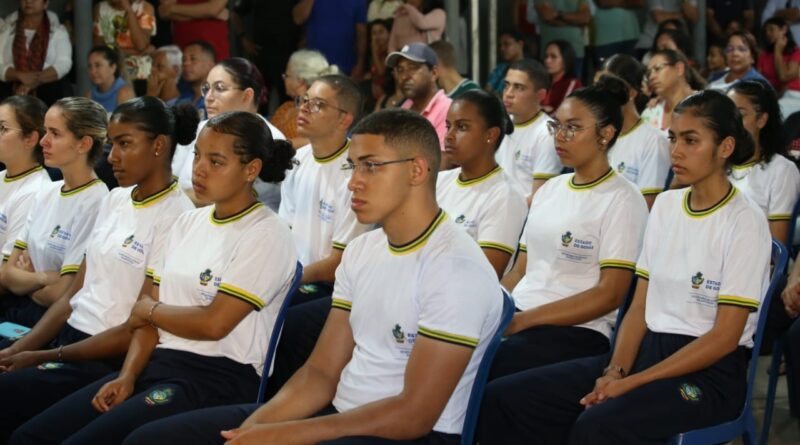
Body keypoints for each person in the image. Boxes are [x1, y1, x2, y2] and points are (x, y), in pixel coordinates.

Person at [119, 107, 504, 445]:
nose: (353, 180)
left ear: (418, 170)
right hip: (341, 417)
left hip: (407, 434)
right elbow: (320, 373)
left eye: (370, 165)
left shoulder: (456, 268)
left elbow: (413, 414)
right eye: (353, 165)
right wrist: (254, 428)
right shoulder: (362, 250)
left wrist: (291, 433)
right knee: (151, 438)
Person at [478, 89, 771, 445]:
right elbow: (638, 307)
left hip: (707, 375)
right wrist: (615, 370)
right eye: (673, 138)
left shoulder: (745, 221)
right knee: (507, 398)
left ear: (725, 147)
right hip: (648, 352)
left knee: (599, 425)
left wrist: (631, 382)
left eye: (691, 140)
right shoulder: (665, 206)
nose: (676, 151)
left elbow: (725, 337)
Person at [8, 111, 299, 445]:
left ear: (252, 170)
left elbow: (213, 324)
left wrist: (150, 311)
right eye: (198, 156)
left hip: (215, 375)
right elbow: (144, 321)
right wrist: (128, 376)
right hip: (156, 363)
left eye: (216, 162)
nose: (199, 169)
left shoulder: (267, 232)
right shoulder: (187, 223)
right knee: (31, 435)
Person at [0, 97, 198, 442]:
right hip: (68, 340)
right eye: (112, 144)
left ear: (159, 145)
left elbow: (138, 324)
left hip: (105, 356)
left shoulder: (177, 215)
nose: (112, 157)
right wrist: (22, 348)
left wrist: (44, 354)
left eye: (124, 144)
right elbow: (74, 292)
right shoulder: (116, 199)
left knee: (26, 433)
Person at [485, 76, 648, 385]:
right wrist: (494, 306)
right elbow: (519, 272)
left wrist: (522, 321)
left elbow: (609, 294)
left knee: (489, 373)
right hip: (521, 315)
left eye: (572, 127)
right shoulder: (550, 190)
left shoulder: (624, 199)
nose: (560, 136)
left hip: (578, 329)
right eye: (556, 126)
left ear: (605, 135)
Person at [0, 97, 109, 328]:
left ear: (84, 144)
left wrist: (27, 282)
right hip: (20, 311)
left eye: (55, 134)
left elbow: (62, 292)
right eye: (45, 132)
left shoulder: (96, 201)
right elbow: (8, 275)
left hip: (56, 322)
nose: (44, 142)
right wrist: (43, 278)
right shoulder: (48, 191)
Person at [279, 74, 369, 305]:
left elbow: (338, 264)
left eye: (318, 104)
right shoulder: (297, 160)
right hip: (294, 277)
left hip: (332, 289)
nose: (305, 108)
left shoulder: (357, 174)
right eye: (305, 100)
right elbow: (284, 231)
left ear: (344, 120)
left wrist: (286, 278)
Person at [172, 57, 286, 210]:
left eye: (219, 88)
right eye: (206, 89)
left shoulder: (268, 139)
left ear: (247, 96)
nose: (208, 97)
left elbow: (226, 199)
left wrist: (175, 196)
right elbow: (172, 175)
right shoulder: (203, 128)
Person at [438, 90, 527, 277]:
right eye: (448, 126)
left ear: (491, 135)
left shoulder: (505, 195)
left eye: (462, 127)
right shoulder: (439, 181)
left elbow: (485, 274)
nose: (449, 136)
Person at [727, 80, 800, 245]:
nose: (730, 123)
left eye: (740, 115)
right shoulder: (716, 165)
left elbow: (776, 248)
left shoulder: (781, 170)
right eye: (726, 115)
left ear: (761, 120)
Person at [598, 55, 671, 209]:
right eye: (600, 85)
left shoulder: (653, 141)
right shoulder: (598, 134)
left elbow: (647, 205)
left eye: (611, 86)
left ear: (631, 93)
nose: (603, 93)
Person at [0, 96, 51, 289]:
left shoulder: (36, 190)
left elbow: (6, 274)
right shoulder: (3, 176)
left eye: (3, 128)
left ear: (30, 138)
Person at [496, 59, 562, 200]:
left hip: (525, 216)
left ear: (541, 95)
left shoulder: (547, 133)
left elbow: (539, 198)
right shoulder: (501, 123)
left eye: (518, 87)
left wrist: (499, 211)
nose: (508, 93)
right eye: (506, 85)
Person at [0, 0, 72, 105]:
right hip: (10, 89)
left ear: (45, 3)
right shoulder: (8, 29)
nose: (29, 1)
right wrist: (20, 76)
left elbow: (64, 63)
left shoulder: (57, 31)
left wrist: (35, 81)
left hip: (47, 90)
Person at [387, 43, 452, 158]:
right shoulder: (402, 109)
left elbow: (442, 164)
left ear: (434, 73)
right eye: (400, 70)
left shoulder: (447, 109)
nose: (404, 76)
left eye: (413, 68)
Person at [271, 50, 339, 149]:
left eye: (287, 75)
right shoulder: (286, 107)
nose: (284, 79)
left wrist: (274, 147)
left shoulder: (319, 113)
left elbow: (318, 140)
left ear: (300, 81)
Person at [293, 0, 368, 80]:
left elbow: (361, 33)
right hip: (313, 66)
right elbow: (297, 19)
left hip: (345, 67)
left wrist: (360, 63)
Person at [93, 0, 157, 86]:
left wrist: (129, 11)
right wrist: (135, 52)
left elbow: (141, 45)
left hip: (141, 75)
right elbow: (100, 50)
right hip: (111, 75)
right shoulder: (100, 8)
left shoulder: (144, 7)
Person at [642, 49, 704, 132]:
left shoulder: (704, 105)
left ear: (679, 68)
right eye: (649, 73)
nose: (651, 77)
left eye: (657, 69)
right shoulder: (650, 113)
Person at [158, 0, 230, 60]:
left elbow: (213, 9)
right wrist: (206, 13)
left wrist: (173, 8)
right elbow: (163, 12)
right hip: (182, 45)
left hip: (212, 47)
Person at [759, 17, 800, 117]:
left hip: (793, 95)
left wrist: (778, 51)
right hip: (772, 96)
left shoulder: (796, 52)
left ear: (784, 29)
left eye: (772, 29)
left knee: (777, 112)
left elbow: (784, 76)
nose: (768, 33)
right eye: (766, 31)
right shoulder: (764, 55)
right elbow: (759, 80)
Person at [86, 45, 135, 113]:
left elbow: (128, 122)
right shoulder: (89, 95)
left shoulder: (124, 93)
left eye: (98, 65)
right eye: (90, 66)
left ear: (113, 67)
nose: (93, 71)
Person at [542, 40, 583, 114]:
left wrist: (542, 111)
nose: (547, 60)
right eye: (546, 56)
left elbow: (562, 113)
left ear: (565, 59)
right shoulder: (543, 82)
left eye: (553, 57)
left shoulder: (573, 83)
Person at [177, 40, 216, 117]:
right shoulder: (181, 102)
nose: (186, 63)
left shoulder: (218, 100)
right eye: (183, 60)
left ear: (210, 66)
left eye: (193, 59)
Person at [485, 29, 526, 95]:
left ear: (520, 44)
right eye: (500, 45)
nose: (502, 49)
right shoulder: (500, 69)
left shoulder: (529, 69)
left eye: (507, 44)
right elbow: (487, 90)